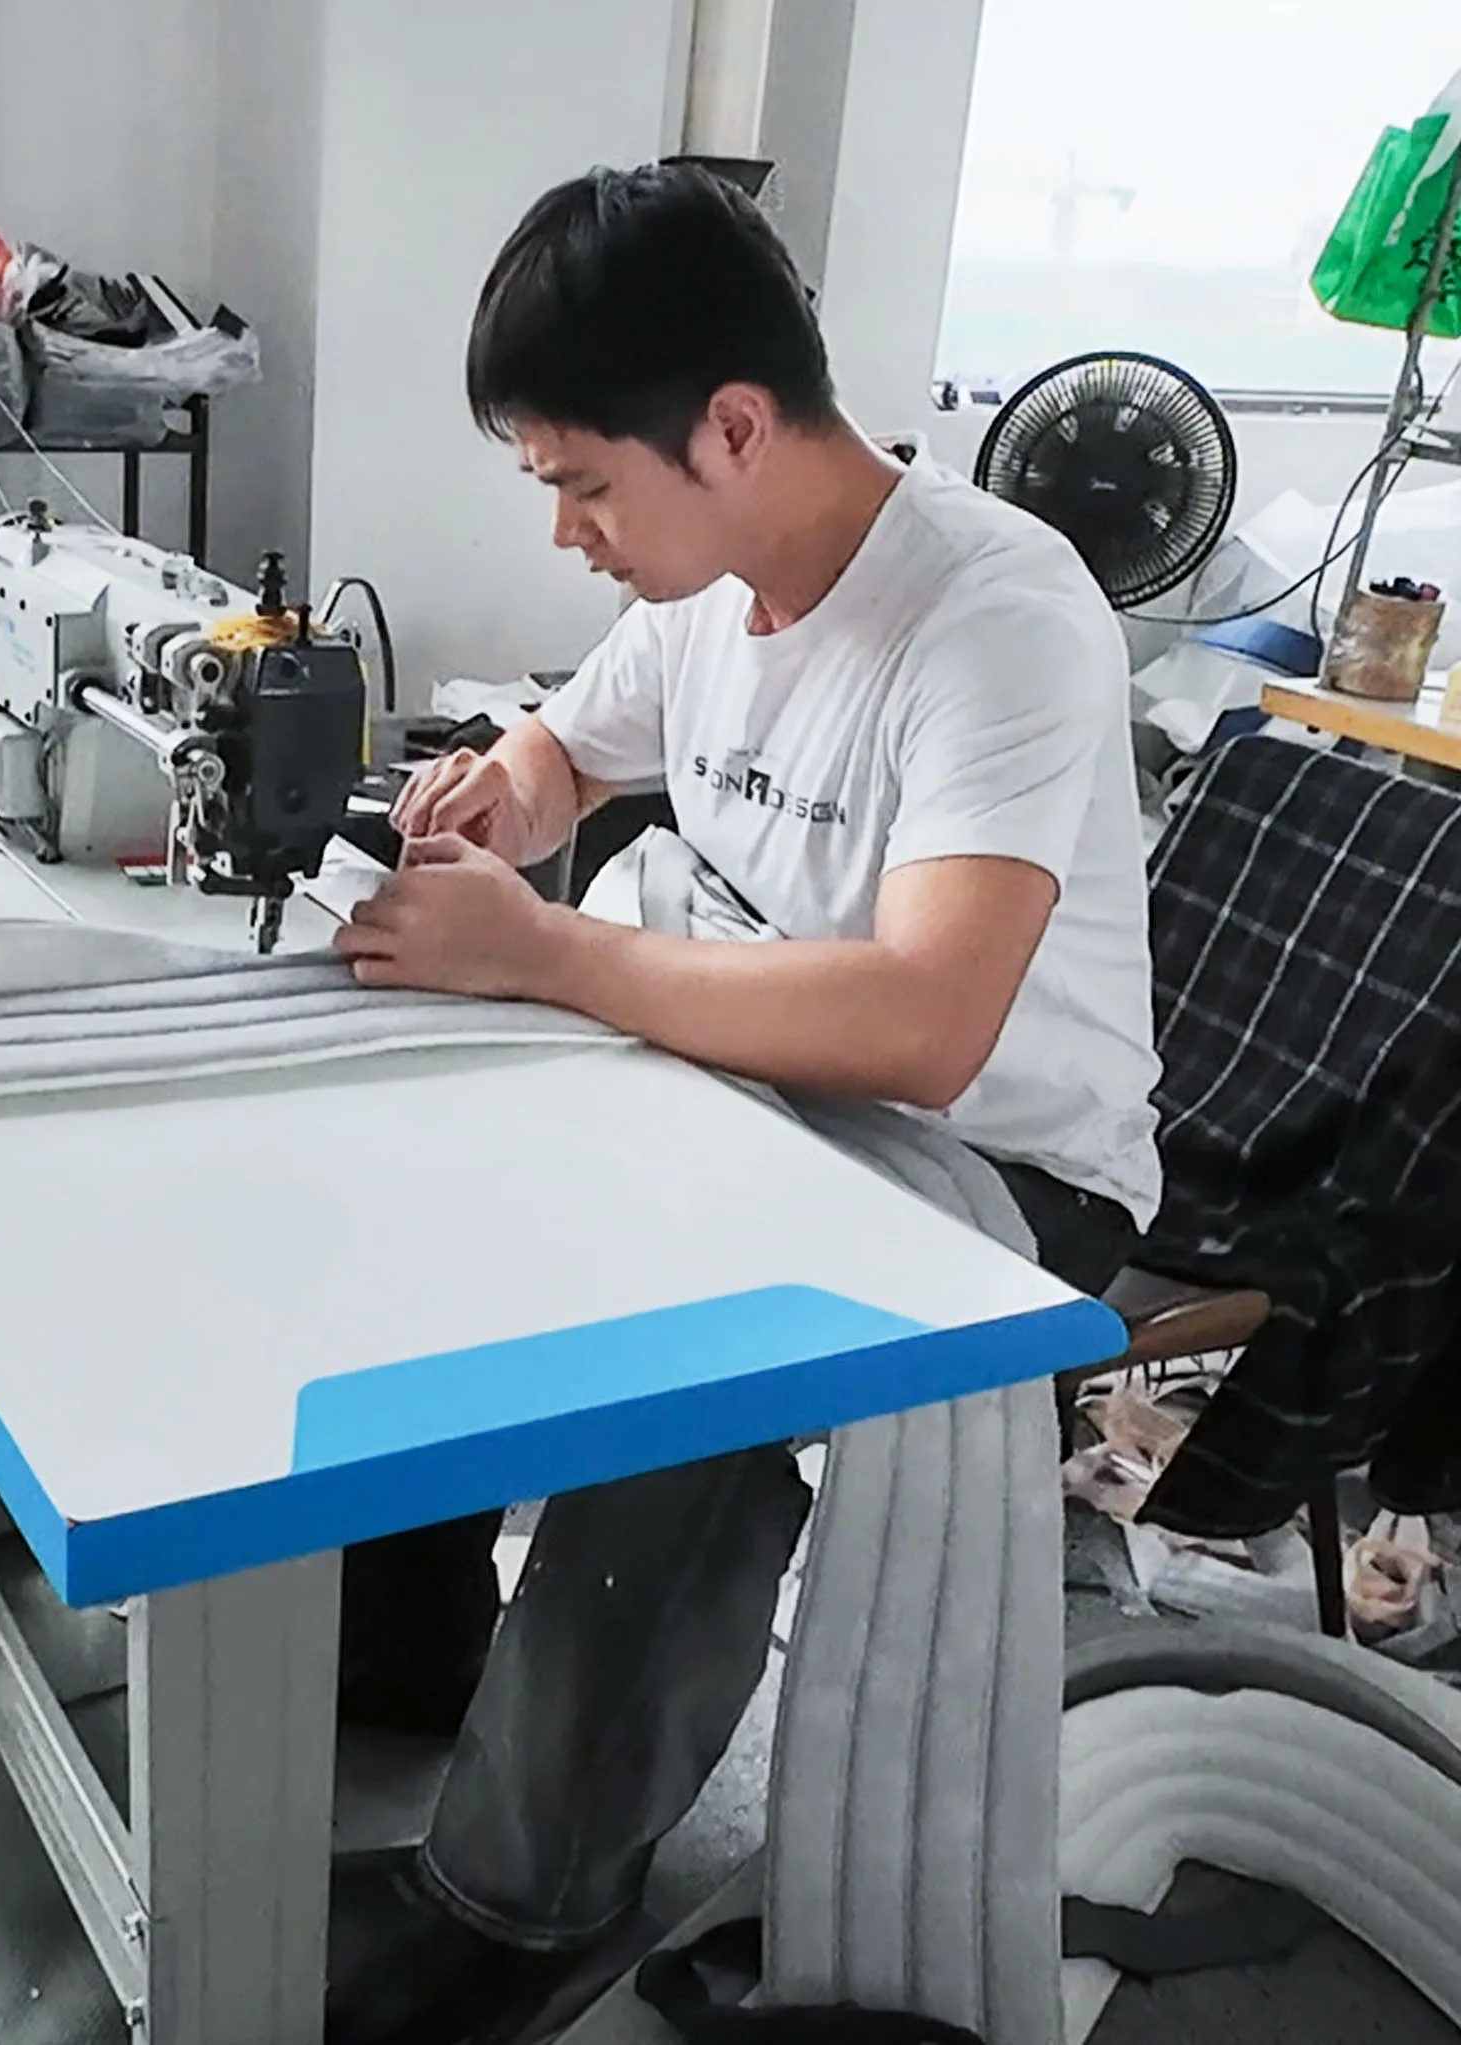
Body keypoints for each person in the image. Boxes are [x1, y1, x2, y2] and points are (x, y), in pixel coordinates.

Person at [321, 163, 1160, 2045]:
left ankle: (509, 1912)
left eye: (582, 484)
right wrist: (504, 802)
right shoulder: (713, 583)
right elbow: (566, 747)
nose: (568, 533)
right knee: (408, 1177)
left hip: (998, 1168)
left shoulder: (997, 618)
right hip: (762, 1083)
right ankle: (414, 1660)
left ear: (732, 425)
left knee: (694, 1366)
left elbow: (930, 1023)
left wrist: (544, 956)